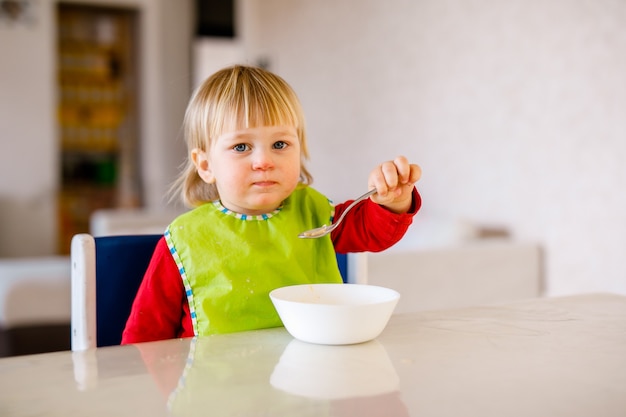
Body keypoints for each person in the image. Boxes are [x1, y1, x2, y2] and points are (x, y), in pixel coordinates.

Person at [121, 65, 422, 344]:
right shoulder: (183, 240)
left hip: (311, 386)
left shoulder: (315, 212)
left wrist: (392, 201)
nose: (264, 161)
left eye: (280, 145)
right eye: (241, 147)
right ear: (205, 164)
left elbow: (373, 230)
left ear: (299, 151)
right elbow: (143, 340)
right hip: (216, 391)